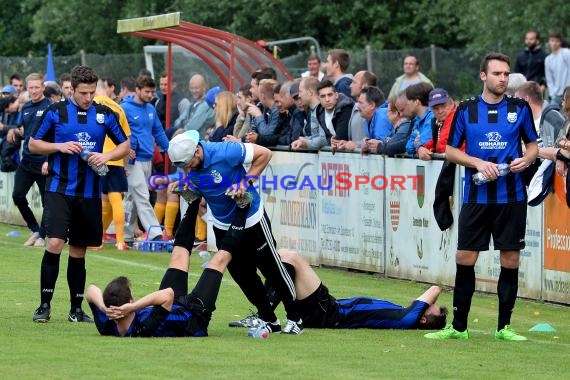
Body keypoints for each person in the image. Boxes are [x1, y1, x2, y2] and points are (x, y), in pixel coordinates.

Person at [425, 52, 538, 341]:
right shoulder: (465, 110)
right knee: (464, 257)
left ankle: (504, 328)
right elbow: (450, 151)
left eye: (506, 74)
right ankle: (459, 328)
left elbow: (532, 147)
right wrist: (477, 163)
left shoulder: (519, 108)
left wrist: (526, 160)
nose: (503, 79)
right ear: (483, 76)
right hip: (476, 197)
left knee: (510, 259)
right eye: (497, 74)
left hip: (511, 197)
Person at [166, 130, 304, 334]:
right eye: (181, 166)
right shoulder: (188, 162)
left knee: (271, 270)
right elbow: (201, 183)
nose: (186, 168)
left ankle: (295, 318)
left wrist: (245, 182)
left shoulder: (225, 151)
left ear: (197, 150)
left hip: (252, 218)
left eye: (187, 164)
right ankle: (269, 319)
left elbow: (264, 153)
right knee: (244, 277)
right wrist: (186, 186)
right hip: (223, 225)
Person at [28, 65, 130, 323]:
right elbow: (33, 144)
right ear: (71, 90)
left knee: (79, 250)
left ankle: (76, 309)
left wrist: (106, 155)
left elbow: (126, 145)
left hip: (90, 192)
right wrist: (59, 146)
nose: (88, 97)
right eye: (83, 92)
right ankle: (44, 305)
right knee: (54, 242)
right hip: (58, 188)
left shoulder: (104, 114)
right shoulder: (56, 112)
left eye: (91, 92)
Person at [86, 198, 251, 337]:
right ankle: (244, 206)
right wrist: (133, 307)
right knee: (220, 259)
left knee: (178, 254)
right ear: (130, 301)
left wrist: (103, 308)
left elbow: (91, 290)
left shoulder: (107, 325)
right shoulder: (144, 327)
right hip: (194, 316)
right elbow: (168, 294)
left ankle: (193, 200)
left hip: (171, 305)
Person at [265, 249, 447, 330]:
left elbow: (435, 289)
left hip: (329, 312)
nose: (431, 303)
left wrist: (425, 305)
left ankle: (264, 316)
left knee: (291, 257)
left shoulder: (408, 318)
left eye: (432, 306)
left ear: (422, 318)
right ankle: (264, 316)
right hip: (328, 310)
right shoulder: (403, 314)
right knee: (283, 258)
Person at [121, 75, 170, 242]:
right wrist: (125, 149)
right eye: (147, 92)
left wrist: (171, 150)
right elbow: (115, 131)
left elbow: (158, 132)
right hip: (132, 161)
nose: (150, 95)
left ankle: (125, 234)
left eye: (152, 92)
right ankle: (155, 233)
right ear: (137, 90)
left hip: (147, 159)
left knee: (131, 198)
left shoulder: (150, 109)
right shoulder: (125, 108)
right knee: (142, 195)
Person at [9, 74, 51, 247]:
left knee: (47, 203)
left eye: (37, 87)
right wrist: (14, 131)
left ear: (42, 87)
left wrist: (49, 160)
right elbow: (24, 129)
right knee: (17, 196)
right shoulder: (25, 107)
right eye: (31, 87)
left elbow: (55, 133)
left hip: (44, 162)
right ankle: (35, 229)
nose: (34, 91)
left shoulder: (50, 106)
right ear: (28, 88)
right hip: (27, 161)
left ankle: (41, 235)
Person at [545, 32, 570, 106]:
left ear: (560, 42)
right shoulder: (548, 59)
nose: (554, 43)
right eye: (552, 40)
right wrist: (553, 94)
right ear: (549, 42)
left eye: (557, 41)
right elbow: (549, 80)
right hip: (556, 95)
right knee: (551, 111)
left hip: (568, 92)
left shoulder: (566, 53)